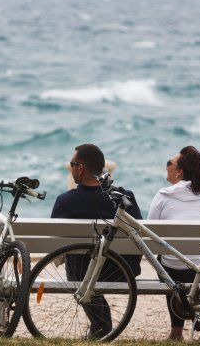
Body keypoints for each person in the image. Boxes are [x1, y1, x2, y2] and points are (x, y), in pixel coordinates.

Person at [52, 143, 143, 338]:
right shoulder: (126, 197)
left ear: (81, 168)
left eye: (72, 163)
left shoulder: (65, 201)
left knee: (79, 263)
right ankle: (100, 327)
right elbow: (139, 237)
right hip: (122, 271)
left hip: (81, 275)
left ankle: (100, 326)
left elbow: (57, 244)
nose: (72, 167)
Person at [148, 146, 200, 341]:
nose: (167, 167)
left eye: (169, 163)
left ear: (179, 171)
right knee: (184, 259)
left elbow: (150, 235)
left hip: (176, 273)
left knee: (166, 262)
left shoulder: (164, 195)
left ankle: (176, 332)